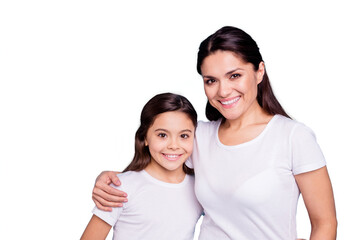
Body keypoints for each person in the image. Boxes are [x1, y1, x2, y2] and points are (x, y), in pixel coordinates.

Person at [92, 26, 337, 239]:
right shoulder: (199, 136)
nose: (223, 91)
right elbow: (157, 168)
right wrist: (110, 177)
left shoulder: (294, 137)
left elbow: (325, 223)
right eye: (211, 81)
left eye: (235, 76)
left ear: (259, 71)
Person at [81, 93, 203, 240]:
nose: (173, 146)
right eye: (162, 135)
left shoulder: (200, 188)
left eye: (184, 136)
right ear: (145, 137)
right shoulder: (120, 188)